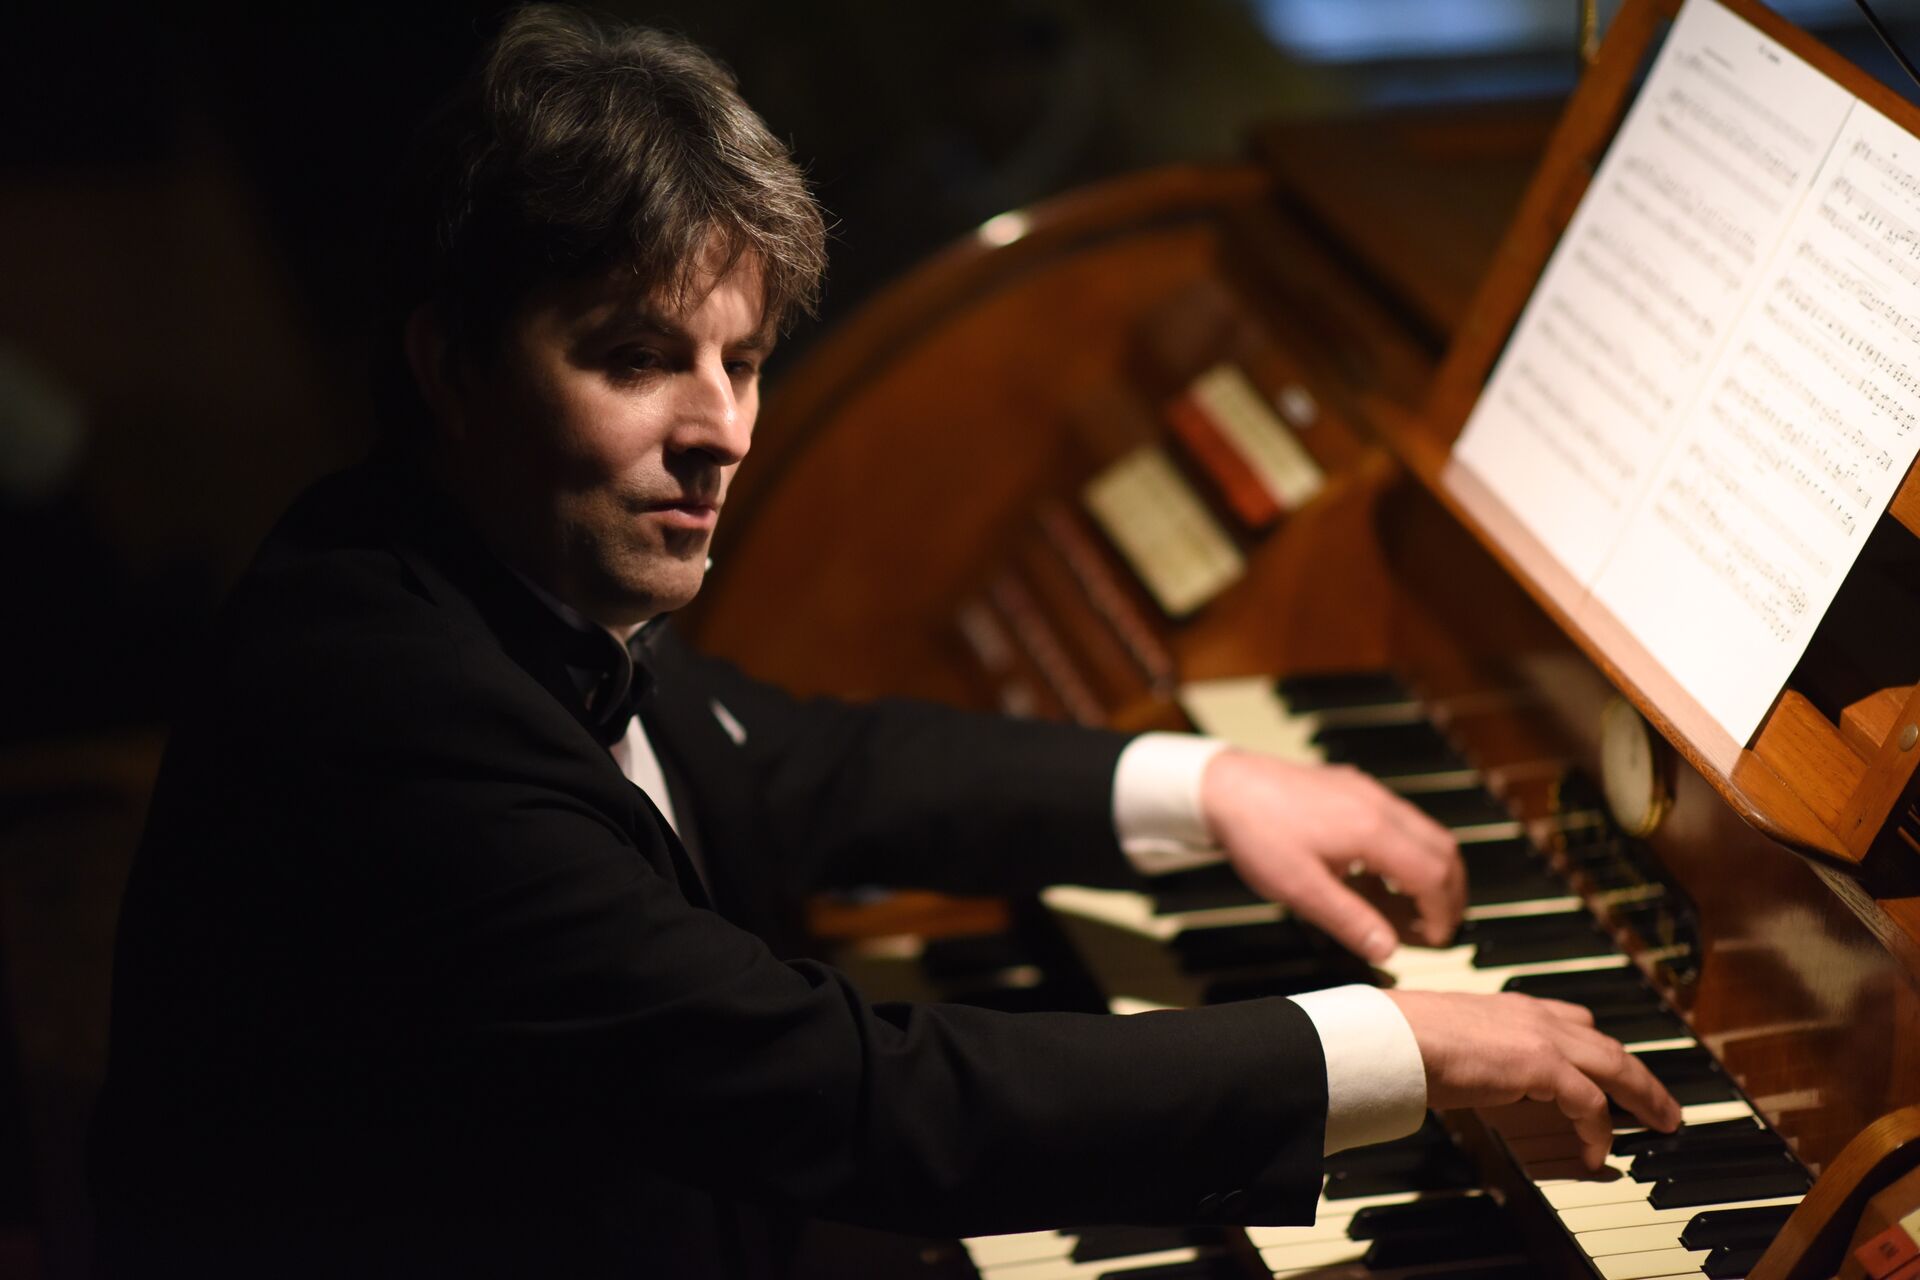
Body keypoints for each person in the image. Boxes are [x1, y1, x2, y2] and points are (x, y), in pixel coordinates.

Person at [89, 8, 1679, 1276]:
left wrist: (1208, 787)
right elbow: (859, 1101)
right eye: (636, 359)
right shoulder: (386, 709)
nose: (721, 430)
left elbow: (794, 763)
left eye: (743, 361)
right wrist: (1388, 1047)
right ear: (451, 364)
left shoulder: (472, 567)